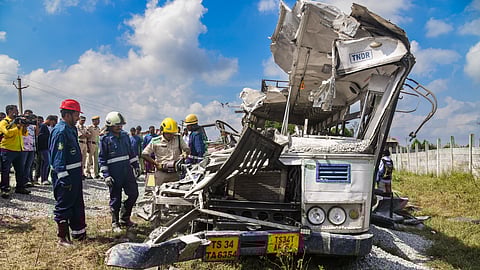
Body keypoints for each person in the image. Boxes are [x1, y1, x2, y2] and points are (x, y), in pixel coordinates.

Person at [49, 99, 87, 246]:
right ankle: (62, 238)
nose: (78, 117)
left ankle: (78, 233)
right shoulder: (61, 131)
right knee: (64, 205)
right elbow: (58, 158)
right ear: (68, 114)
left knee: (77, 204)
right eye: (77, 114)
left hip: (75, 174)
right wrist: (63, 178)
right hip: (65, 176)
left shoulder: (71, 129)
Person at [99, 112, 140, 232]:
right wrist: (106, 175)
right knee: (115, 198)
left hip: (127, 171)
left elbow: (131, 153)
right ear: (110, 125)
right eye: (117, 125)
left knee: (134, 193)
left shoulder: (125, 136)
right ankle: (115, 222)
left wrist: (136, 166)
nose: (120, 127)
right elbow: (102, 158)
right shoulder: (105, 138)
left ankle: (125, 218)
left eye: (121, 125)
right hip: (114, 173)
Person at [142, 118, 190, 187]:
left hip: (175, 174)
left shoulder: (178, 138)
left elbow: (187, 149)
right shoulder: (156, 141)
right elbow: (144, 154)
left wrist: (186, 153)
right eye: (169, 133)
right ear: (163, 131)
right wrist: (156, 164)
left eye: (173, 133)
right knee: (153, 192)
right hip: (161, 173)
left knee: (176, 194)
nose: (171, 135)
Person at [0, 105, 30, 199]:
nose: (17, 112)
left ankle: (20, 187)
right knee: (6, 171)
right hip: (7, 149)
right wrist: (17, 127)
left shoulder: (18, 122)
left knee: (20, 170)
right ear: (10, 111)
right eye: (15, 110)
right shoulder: (4, 122)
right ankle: (5, 189)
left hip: (18, 149)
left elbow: (24, 134)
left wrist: (24, 126)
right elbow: (7, 133)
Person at [37, 115, 56, 185]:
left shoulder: (46, 127)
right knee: (46, 163)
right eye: (52, 122)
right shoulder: (43, 126)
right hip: (43, 148)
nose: (52, 124)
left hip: (47, 148)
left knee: (46, 163)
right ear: (49, 120)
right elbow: (40, 136)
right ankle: (43, 179)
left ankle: (45, 178)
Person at [22, 109, 37, 187]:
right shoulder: (21, 123)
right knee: (22, 165)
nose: (29, 118)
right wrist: (24, 124)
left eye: (30, 116)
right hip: (23, 147)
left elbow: (36, 134)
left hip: (32, 147)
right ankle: (21, 182)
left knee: (29, 165)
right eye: (27, 116)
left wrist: (36, 123)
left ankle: (27, 180)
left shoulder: (32, 125)